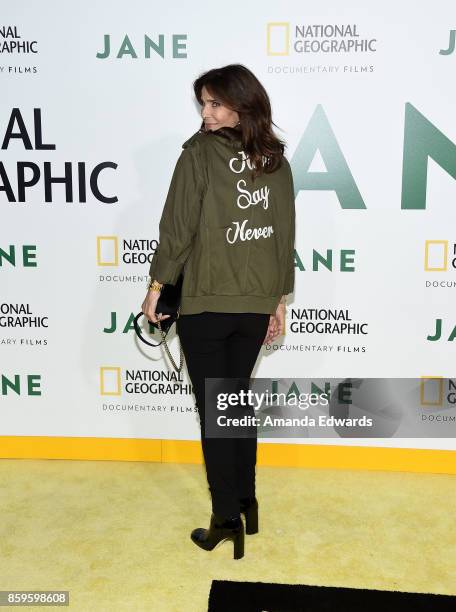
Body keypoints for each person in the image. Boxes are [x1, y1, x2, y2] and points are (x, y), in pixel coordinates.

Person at [141, 64, 295, 560]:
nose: (206, 114)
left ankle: (225, 517)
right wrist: (277, 300)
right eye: (203, 104)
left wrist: (157, 285)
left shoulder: (199, 156)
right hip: (251, 307)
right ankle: (247, 501)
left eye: (214, 104)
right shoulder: (275, 161)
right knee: (235, 403)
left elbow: (178, 228)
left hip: (207, 304)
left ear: (242, 105)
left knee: (216, 412)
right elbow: (283, 237)